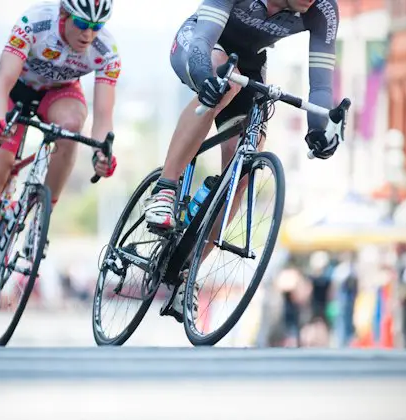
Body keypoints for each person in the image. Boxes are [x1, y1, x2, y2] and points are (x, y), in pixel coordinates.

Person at [146, 0, 341, 321]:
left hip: (250, 63)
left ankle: (186, 271)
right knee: (224, 81)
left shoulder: (323, 9)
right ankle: (165, 189)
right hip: (201, 44)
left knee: (243, 169)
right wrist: (205, 75)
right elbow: (202, 42)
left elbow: (320, 85)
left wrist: (319, 130)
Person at [0, 0, 119, 325]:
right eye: (81, 23)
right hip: (15, 93)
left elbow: (103, 118)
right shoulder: (35, 23)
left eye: (96, 26)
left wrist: (103, 152)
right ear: (63, 15)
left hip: (59, 95)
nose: (89, 33)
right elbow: (2, 82)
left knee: (72, 127)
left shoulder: (106, 49)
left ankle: (39, 217)